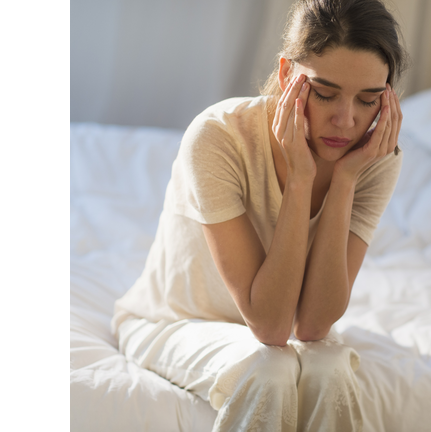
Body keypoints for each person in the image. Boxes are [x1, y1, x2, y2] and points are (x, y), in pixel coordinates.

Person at [110, 0, 407, 430]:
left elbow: (313, 325)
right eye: (324, 94)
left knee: (329, 368)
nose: (347, 120)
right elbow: (272, 329)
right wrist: (301, 180)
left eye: (368, 99)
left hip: (276, 329)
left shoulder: (375, 158)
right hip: (173, 322)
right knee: (270, 367)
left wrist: (344, 183)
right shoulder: (217, 138)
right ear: (287, 76)